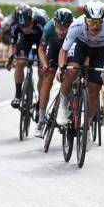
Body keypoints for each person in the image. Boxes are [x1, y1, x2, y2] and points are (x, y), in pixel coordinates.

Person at [55, 0, 104, 142]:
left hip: (100, 51)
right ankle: (63, 107)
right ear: (85, 19)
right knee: (71, 71)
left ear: (103, 19)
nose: (95, 26)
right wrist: (61, 68)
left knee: (94, 89)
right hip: (81, 46)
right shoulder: (77, 25)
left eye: (98, 22)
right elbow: (63, 50)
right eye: (91, 22)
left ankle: (87, 128)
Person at [34, 8, 73, 138]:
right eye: (59, 27)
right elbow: (41, 49)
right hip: (54, 50)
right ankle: (41, 118)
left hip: (69, 51)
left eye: (65, 28)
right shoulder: (49, 28)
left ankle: (69, 106)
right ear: (54, 23)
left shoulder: (76, 29)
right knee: (47, 78)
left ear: (70, 25)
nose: (62, 31)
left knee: (72, 75)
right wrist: (45, 64)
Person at [5, 4, 48, 108]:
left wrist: (44, 63)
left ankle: (40, 102)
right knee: (20, 62)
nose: (25, 28)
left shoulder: (41, 21)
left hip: (41, 42)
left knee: (42, 71)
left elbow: (47, 45)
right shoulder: (15, 24)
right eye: (22, 26)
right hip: (25, 40)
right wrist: (10, 59)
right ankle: (18, 95)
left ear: (32, 20)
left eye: (28, 25)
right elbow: (13, 45)